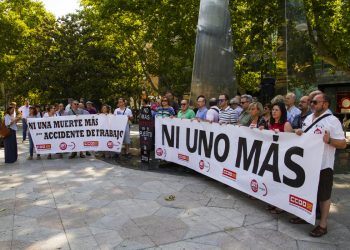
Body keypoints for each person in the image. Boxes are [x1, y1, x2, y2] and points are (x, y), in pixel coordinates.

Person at [291, 94, 346, 237]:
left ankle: (323, 225)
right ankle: (304, 215)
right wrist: (298, 132)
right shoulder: (309, 118)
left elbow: (342, 144)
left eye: (315, 102)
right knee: (306, 190)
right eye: (311, 102)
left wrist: (329, 141)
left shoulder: (333, 121)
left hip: (323, 165)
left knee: (323, 196)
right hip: (306, 163)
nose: (311, 104)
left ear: (325, 104)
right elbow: (306, 137)